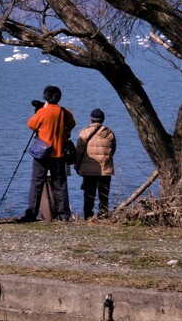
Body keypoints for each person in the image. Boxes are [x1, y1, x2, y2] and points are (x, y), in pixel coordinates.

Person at [22, 85, 75, 222]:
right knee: (61, 184)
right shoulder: (64, 112)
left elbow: (31, 125)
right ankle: (64, 215)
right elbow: (72, 124)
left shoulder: (43, 112)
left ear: (46, 97)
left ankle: (31, 213)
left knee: (36, 183)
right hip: (59, 154)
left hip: (43, 153)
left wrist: (41, 111)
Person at [75, 108, 116, 218]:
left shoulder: (84, 132)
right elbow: (113, 150)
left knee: (89, 195)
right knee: (104, 195)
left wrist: (77, 165)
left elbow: (79, 152)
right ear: (103, 119)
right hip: (105, 169)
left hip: (88, 171)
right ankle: (104, 215)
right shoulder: (109, 133)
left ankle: (88, 216)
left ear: (91, 119)